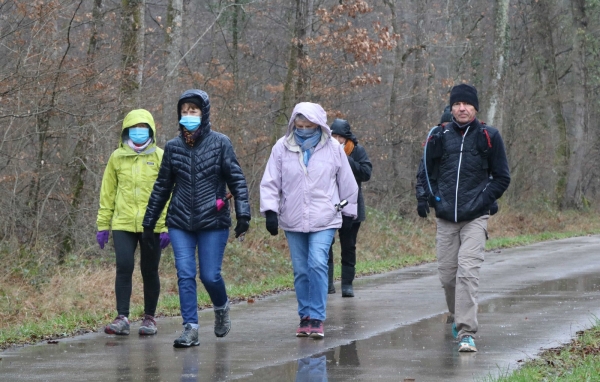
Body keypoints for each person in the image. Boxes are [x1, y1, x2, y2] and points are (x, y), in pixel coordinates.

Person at [142, 89, 251, 348]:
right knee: (185, 273)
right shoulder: (172, 147)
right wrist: (149, 222)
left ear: (204, 113)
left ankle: (221, 307)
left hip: (213, 219)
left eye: (194, 111)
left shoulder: (220, 143)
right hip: (180, 221)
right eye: (185, 111)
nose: (189, 115)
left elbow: (237, 179)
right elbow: (162, 186)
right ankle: (190, 328)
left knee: (210, 276)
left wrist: (243, 213)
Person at [415, 84, 510, 352]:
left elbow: (502, 177)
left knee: (467, 273)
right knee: (448, 277)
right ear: (452, 107)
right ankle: (457, 317)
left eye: (467, 104)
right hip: (445, 217)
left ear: (475, 107)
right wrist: (426, 198)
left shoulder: (489, 136)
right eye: (457, 104)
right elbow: (425, 170)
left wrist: (482, 200)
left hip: (475, 218)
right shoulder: (439, 135)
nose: (462, 108)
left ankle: (467, 332)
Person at [260, 102, 358, 339]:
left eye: (308, 125)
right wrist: (270, 212)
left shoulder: (334, 149)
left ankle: (316, 316)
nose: (303, 129)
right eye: (299, 125)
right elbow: (271, 181)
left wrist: (349, 212)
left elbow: (347, 182)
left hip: (325, 217)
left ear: (319, 125)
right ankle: (304, 315)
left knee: (316, 263)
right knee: (301, 270)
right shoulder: (281, 148)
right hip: (292, 218)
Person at [96, 109, 170, 336]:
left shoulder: (160, 156)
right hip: (123, 223)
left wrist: (166, 224)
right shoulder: (117, 157)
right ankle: (122, 317)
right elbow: (107, 192)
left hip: (152, 224)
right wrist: (103, 224)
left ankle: (149, 318)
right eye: (134, 127)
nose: (139, 131)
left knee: (149, 270)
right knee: (124, 267)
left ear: (151, 130)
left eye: (143, 127)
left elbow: (169, 191)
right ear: (126, 130)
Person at [327, 118, 372, 297]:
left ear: (347, 138)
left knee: (349, 246)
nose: (337, 140)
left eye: (340, 137)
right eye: (334, 136)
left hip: (352, 206)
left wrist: (345, 160)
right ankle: (327, 284)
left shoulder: (357, 151)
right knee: (325, 246)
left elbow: (366, 173)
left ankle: (347, 284)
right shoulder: (324, 151)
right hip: (329, 206)